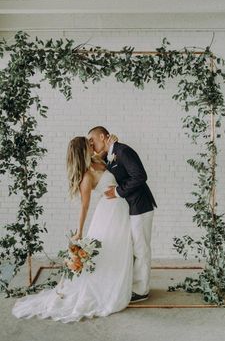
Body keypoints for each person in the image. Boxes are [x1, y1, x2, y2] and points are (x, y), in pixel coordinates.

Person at [12, 136, 133, 323]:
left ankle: (116, 284)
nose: (92, 145)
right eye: (88, 144)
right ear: (82, 150)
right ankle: (106, 290)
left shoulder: (97, 159)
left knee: (119, 250)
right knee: (110, 251)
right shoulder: (86, 176)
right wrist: (79, 232)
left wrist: (112, 143)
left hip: (120, 209)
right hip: (108, 213)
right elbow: (84, 206)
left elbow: (108, 151)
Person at [88, 126, 157, 303]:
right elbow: (96, 160)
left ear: (102, 136)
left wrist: (118, 192)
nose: (92, 145)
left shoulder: (123, 150)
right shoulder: (111, 153)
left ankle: (141, 290)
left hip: (140, 205)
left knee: (141, 248)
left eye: (93, 140)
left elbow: (140, 176)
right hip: (130, 207)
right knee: (134, 247)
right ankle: (134, 285)